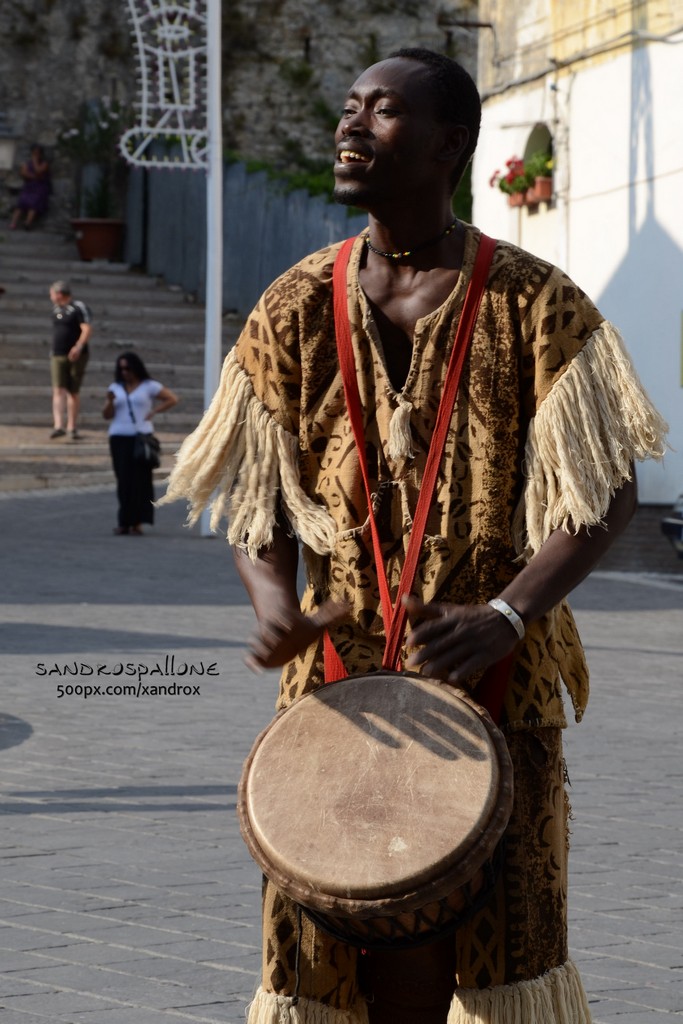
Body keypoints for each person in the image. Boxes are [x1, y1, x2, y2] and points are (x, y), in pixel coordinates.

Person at [161, 48, 667, 1024]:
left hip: (497, 685)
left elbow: (602, 494)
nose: (349, 128)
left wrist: (508, 613)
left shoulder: (534, 302)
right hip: (339, 701)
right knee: (327, 946)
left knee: (498, 951)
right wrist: (275, 605)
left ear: (450, 145)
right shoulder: (294, 303)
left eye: (381, 112)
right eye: (347, 109)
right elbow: (257, 500)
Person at [103, 351, 178, 535]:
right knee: (123, 481)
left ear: (136, 368)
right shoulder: (115, 387)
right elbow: (106, 415)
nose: (124, 372)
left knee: (141, 481)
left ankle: (138, 522)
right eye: (121, 369)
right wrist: (110, 402)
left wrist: (155, 411)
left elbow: (172, 398)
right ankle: (124, 521)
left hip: (141, 438)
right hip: (119, 438)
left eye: (127, 368)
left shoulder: (149, 386)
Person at [48, 280, 92, 440]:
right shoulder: (55, 310)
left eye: (51, 293)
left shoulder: (78, 307)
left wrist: (78, 346)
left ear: (59, 294)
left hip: (76, 354)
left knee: (73, 390)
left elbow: (86, 328)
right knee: (58, 388)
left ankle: (71, 426)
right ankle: (58, 425)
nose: (50, 296)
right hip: (57, 353)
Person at [10, 145, 51, 230]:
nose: (36, 155)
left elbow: (38, 170)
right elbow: (24, 173)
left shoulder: (44, 163)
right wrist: (34, 176)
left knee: (34, 204)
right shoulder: (27, 163)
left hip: (39, 187)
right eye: (34, 153)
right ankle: (13, 223)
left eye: (38, 153)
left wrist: (35, 162)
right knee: (20, 204)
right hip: (29, 186)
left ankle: (27, 223)